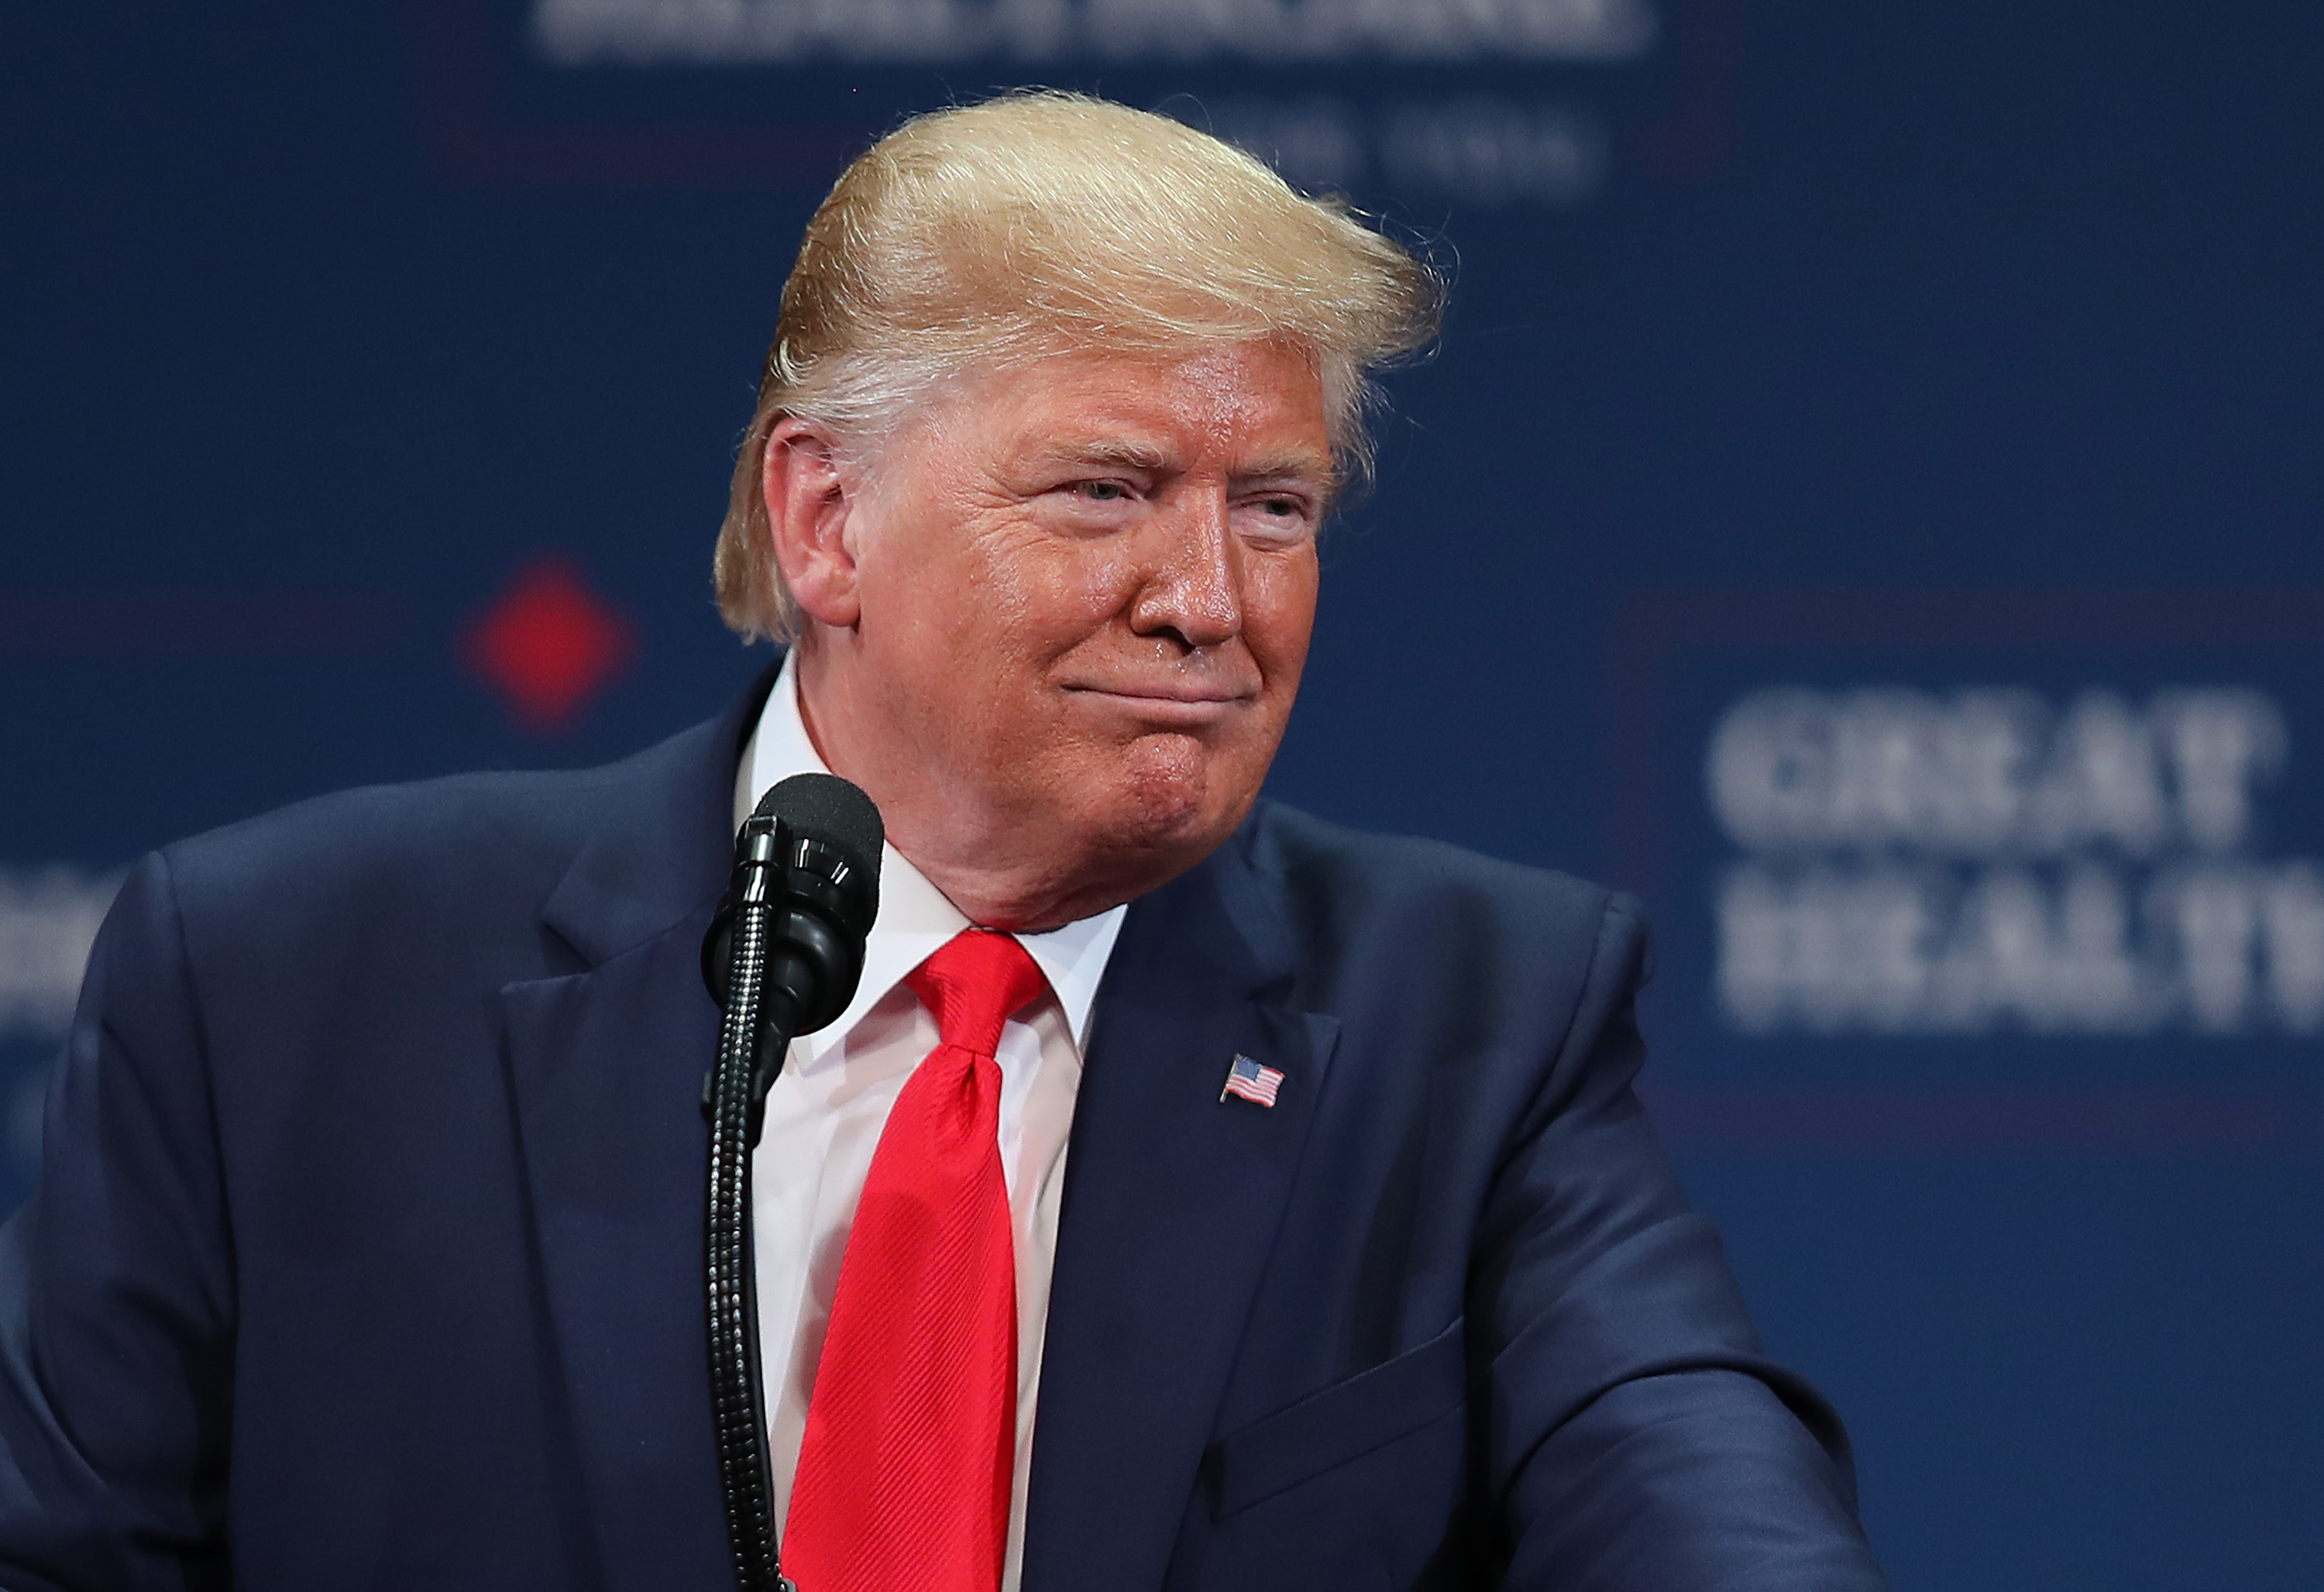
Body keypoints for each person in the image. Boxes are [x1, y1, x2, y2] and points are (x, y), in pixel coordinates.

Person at [0, 93, 1888, 1591]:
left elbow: (1686, 1468)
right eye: (1109, 491)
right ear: (827, 520)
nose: (1210, 599)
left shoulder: (1473, 1023)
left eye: (1281, 504)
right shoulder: (277, 986)